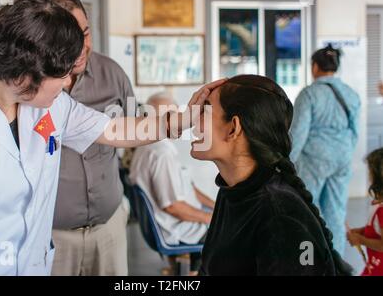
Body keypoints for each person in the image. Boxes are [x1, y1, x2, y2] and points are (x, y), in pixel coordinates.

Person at [0, 0, 222, 275]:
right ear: (22, 74)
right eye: (62, 76)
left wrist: (186, 117)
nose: (69, 82)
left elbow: (115, 129)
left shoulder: (50, 105)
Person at [190, 74, 352, 275]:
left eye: (204, 110)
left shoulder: (281, 215)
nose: (192, 119)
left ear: (233, 128)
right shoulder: (234, 191)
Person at [28, 0, 134, 276]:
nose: (81, 47)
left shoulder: (114, 74)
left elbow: (134, 125)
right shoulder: (27, 88)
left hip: (109, 229)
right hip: (52, 236)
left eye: (85, 33)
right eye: (68, 39)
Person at [129, 92, 215, 275]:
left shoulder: (147, 146)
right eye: (173, 116)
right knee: (232, 232)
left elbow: (189, 188)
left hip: (174, 224)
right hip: (177, 230)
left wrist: (216, 208)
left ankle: (194, 269)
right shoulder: (161, 153)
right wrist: (211, 218)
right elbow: (173, 207)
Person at [290, 44, 361, 255]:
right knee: (336, 213)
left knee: (307, 211)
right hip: (343, 157)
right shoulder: (351, 94)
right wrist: (345, 153)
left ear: (314, 67)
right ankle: (335, 261)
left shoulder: (309, 94)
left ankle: (308, 260)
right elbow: (355, 131)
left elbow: (298, 132)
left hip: (314, 159)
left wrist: (287, 163)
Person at [347, 148, 383, 276]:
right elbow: (378, 229)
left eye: (370, 172)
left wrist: (360, 240)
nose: (368, 176)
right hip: (373, 266)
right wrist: (362, 231)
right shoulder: (378, 205)